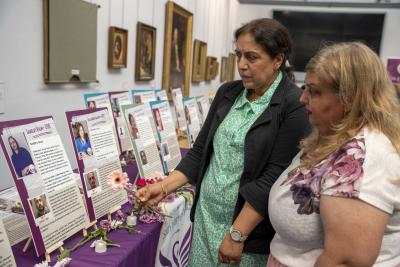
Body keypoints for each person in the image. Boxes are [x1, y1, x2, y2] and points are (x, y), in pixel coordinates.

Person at [136, 18, 310, 266]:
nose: (241, 65)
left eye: (252, 57)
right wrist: (162, 187)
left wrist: (237, 234)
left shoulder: (293, 104)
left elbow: (273, 177)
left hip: (246, 232)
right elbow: (200, 153)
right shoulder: (228, 93)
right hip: (207, 218)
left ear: (278, 60)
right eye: (238, 55)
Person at [268, 42, 400, 266]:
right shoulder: (332, 134)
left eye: (315, 91)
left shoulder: (363, 155)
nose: (303, 99)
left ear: (350, 98)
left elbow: (344, 260)